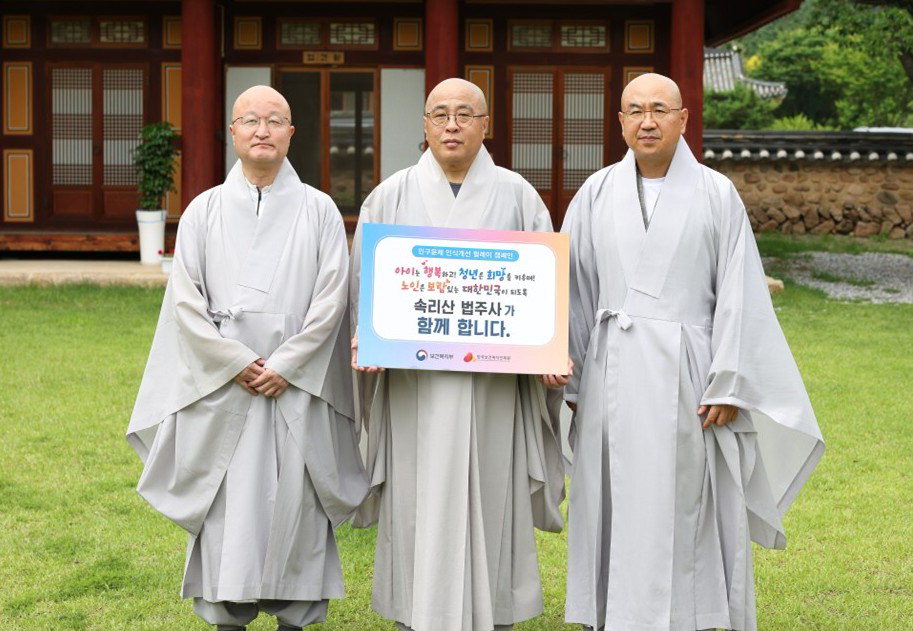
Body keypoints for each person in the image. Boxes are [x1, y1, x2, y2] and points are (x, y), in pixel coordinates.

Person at [558, 73, 825, 631]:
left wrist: (729, 379)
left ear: (683, 119)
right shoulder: (595, 193)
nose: (647, 121)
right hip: (611, 372)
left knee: (684, 497)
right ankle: (611, 614)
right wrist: (576, 378)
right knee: (613, 493)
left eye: (660, 109)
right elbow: (576, 291)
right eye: (635, 110)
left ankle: (691, 615)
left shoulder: (716, 194)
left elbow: (739, 294)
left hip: (690, 376)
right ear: (620, 122)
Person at [126, 85, 368, 631]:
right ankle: (226, 614)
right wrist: (233, 360)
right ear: (232, 132)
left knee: (296, 504)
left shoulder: (320, 210)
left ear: (291, 133)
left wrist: (287, 364)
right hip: (226, 384)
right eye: (251, 120)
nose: (263, 130)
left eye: (275, 120)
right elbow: (185, 302)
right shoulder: (203, 210)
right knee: (227, 509)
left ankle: (295, 615)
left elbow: (333, 299)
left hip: (296, 387)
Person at [349, 78, 566, 631]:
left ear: (485, 125)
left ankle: (494, 611)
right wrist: (366, 336)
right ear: (424, 125)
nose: (452, 125)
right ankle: (415, 610)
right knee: (416, 496)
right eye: (440, 114)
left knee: (492, 491)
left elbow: (543, 293)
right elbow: (364, 289)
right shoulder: (390, 195)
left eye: (465, 114)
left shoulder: (518, 196)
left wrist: (549, 351)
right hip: (414, 386)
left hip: (495, 389)